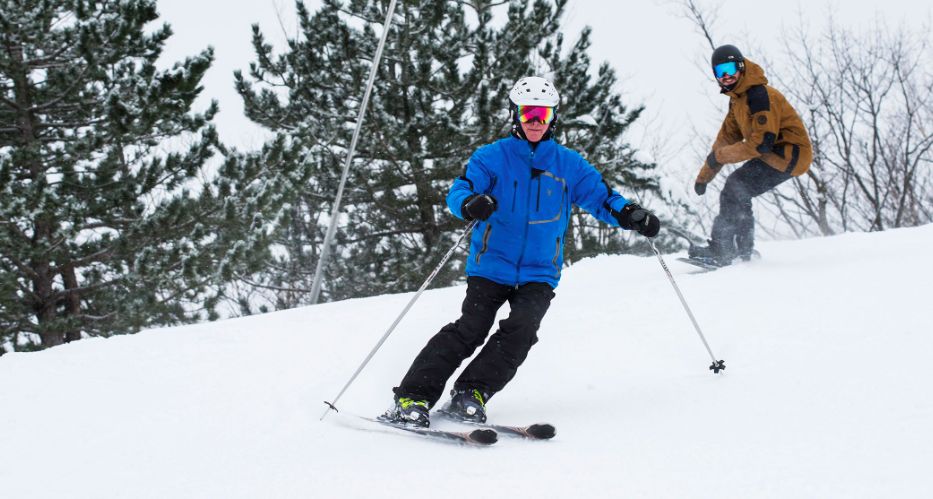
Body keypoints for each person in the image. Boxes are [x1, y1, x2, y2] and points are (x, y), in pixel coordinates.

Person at [384, 76, 660, 427]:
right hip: (491, 265)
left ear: (552, 118)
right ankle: (412, 397)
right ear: (514, 114)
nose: (534, 121)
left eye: (542, 115)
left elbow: (603, 197)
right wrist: (470, 204)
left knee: (522, 330)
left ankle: (472, 393)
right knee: (471, 328)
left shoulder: (568, 165)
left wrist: (630, 214)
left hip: (539, 272)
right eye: (528, 113)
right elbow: (461, 189)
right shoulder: (492, 157)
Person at [689, 44, 812, 266]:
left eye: (728, 69)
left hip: (788, 154)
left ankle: (723, 250)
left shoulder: (759, 96)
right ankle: (742, 251)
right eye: (719, 72)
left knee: (736, 187)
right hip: (775, 154)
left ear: (741, 67)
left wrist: (721, 156)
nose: (725, 76)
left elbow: (762, 143)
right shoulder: (737, 101)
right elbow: (724, 142)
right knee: (738, 190)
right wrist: (704, 176)